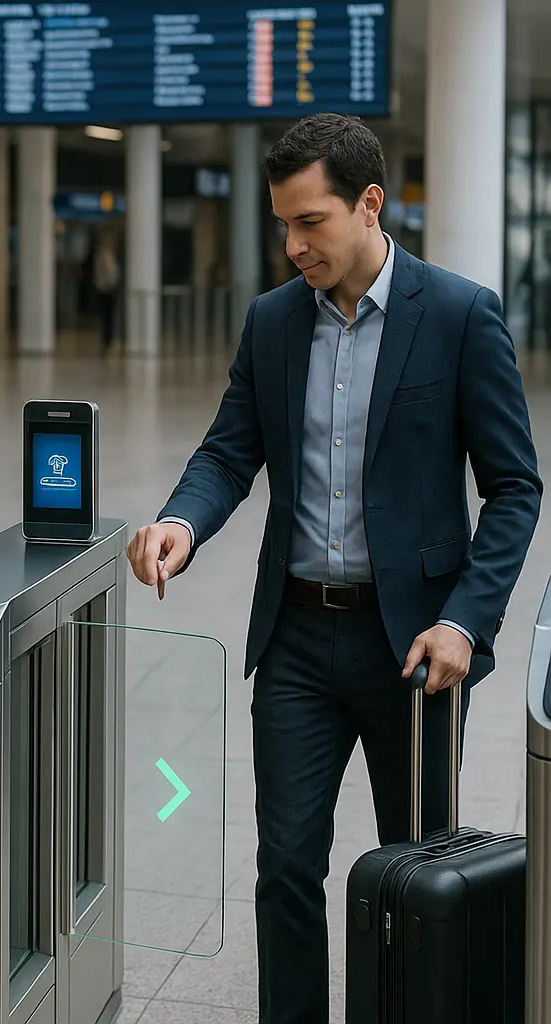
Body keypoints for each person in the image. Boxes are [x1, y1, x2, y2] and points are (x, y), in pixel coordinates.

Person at [127, 113, 541, 1023]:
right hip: (298, 641)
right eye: (284, 224)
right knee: (285, 867)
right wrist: (181, 524)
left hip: (417, 651)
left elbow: (515, 488)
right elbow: (228, 453)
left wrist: (464, 621)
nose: (293, 246)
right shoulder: (274, 322)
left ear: (369, 204)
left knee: (418, 871)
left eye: (310, 222)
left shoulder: (460, 315)